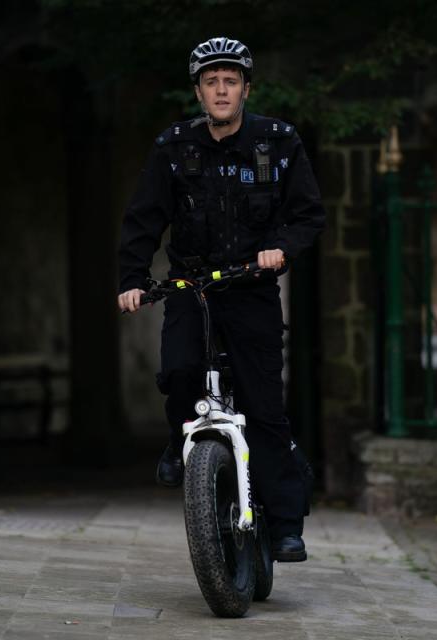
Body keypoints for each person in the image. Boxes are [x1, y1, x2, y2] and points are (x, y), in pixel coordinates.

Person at [117, 36, 325, 562]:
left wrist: (281, 249)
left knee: (265, 408)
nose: (221, 90)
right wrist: (132, 278)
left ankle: (283, 526)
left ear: (245, 88)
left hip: (251, 288)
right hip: (192, 286)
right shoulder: (173, 148)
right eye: (211, 82)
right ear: (199, 92)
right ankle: (177, 437)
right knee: (181, 371)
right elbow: (143, 219)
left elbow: (308, 215)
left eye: (230, 81)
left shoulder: (278, 142)